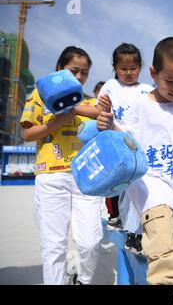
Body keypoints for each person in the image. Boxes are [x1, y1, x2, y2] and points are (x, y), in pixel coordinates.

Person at [97, 37, 173, 285]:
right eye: (169, 80)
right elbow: (126, 137)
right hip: (152, 188)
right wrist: (110, 125)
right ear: (153, 72)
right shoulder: (142, 104)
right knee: (163, 249)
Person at [20, 46, 103, 285]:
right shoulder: (38, 95)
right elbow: (27, 134)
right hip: (50, 177)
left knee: (89, 241)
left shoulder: (89, 103)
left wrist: (76, 108)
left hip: (86, 179)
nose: (79, 77)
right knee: (53, 245)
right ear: (59, 69)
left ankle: (83, 280)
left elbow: (103, 116)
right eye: (74, 71)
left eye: (84, 73)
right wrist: (58, 121)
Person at [96, 43, 153, 254]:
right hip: (117, 144)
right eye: (123, 68)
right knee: (120, 189)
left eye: (133, 68)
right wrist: (102, 109)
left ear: (141, 67)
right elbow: (98, 111)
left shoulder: (147, 89)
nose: (128, 73)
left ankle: (134, 234)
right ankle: (122, 222)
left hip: (138, 148)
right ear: (114, 67)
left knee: (136, 190)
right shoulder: (110, 85)